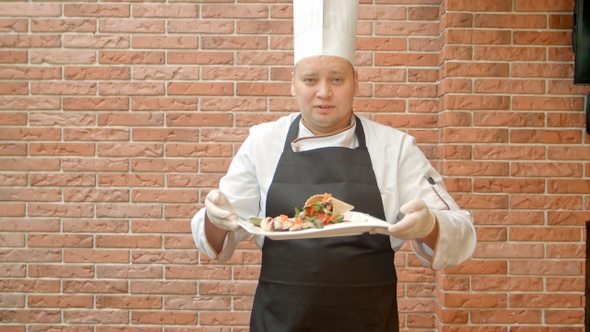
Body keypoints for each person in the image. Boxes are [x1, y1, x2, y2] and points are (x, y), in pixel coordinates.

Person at [191, 0, 476, 331]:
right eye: (310, 79)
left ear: (355, 81)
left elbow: (463, 235)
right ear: (294, 83)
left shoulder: (395, 148)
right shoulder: (262, 142)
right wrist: (215, 218)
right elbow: (213, 242)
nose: (323, 93)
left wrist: (428, 226)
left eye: (337, 79)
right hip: (278, 322)